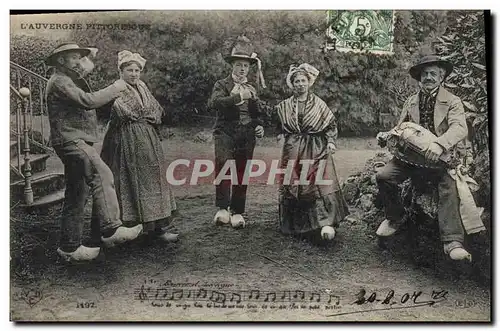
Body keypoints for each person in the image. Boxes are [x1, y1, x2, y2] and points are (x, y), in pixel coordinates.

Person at [45, 43, 143, 263]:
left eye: (80, 58)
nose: (79, 62)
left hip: (71, 140)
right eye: (74, 58)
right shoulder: (60, 81)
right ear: (60, 61)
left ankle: (69, 247)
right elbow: (88, 101)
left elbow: (83, 93)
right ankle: (112, 230)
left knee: (77, 193)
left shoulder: (66, 80)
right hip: (72, 141)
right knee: (102, 174)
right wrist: (117, 86)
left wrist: (84, 69)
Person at [375, 54, 471, 261]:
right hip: (410, 158)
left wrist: (439, 143)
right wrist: (387, 135)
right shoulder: (411, 101)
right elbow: (402, 126)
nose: (428, 77)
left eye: (433, 74)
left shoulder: (453, 101)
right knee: (384, 176)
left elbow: (459, 128)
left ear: (442, 76)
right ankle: (394, 218)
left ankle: (452, 240)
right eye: (425, 74)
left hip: (440, 157)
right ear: (420, 77)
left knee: (449, 185)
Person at [100, 50, 179, 243]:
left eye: (137, 70)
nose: (134, 74)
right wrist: (141, 115)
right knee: (128, 178)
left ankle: (157, 227)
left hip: (148, 138)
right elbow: (122, 111)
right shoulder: (117, 88)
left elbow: (155, 110)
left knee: (154, 178)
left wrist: (145, 116)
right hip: (125, 138)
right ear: (121, 71)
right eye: (129, 70)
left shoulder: (142, 86)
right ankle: (128, 228)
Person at [275, 63, 349, 242]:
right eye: (297, 81)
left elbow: (331, 125)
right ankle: (295, 225)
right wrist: (280, 135)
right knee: (293, 182)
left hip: (316, 147)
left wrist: (331, 141)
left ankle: (324, 223)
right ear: (292, 84)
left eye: (303, 81)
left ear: (309, 83)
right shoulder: (284, 106)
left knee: (319, 183)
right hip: (293, 148)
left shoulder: (319, 104)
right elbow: (278, 125)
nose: (300, 84)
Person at [209, 35, 266, 228]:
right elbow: (215, 103)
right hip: (225, 132)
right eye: (238, 65)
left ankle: (237, 211)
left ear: (249, 68)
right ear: (232, 66)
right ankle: (222, 209)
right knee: (224, 165)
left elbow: (257, 112)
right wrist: (238, 96)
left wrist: (259, 125)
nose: (242, 69)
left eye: (245, 66)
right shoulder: (222, 85)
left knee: (242, 170)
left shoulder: (253, 86)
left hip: (246, 134)